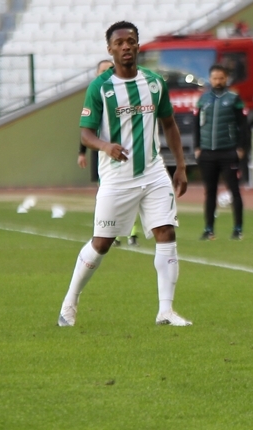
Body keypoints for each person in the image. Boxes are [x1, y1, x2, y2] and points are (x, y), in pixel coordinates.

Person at [57, 21, 191, 327]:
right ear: (110, 49)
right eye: (119, 43)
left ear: (138, 45)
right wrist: (106, 146)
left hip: (154, 172)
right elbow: (85, 133)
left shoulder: (155, 83)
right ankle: (70, 301)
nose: (126, 46)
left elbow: (169, 124)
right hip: (117, 178)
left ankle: (166, 311)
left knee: (166, 232)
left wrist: (180, 166)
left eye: (131, 41)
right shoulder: (100, 87)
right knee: (102, 243)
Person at [77, 59, 140, 247]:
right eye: (102, 70)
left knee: (132, 191)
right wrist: (82, 152)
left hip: (127, 150)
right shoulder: (95, 94)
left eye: (109, 69)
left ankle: (132, 233)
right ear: (97, 73)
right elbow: (86, 129)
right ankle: (113, 233)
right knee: (108, 193)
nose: (106, 72)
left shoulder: (126, 93)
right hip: (103, 153)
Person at [194, 64, 249, 241]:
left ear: (226, 79)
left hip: (228, 151)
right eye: (215, 78)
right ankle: (208, 229)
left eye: (221, 78)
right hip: (207, 152)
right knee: (210, 192)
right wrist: (197, 147)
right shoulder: (203, 99)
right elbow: (196, 124)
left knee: (234, 191)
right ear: (210, 79)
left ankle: (238, 229)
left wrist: (241, 147)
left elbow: (243, 125)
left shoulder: (234, 98)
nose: (218, 81)